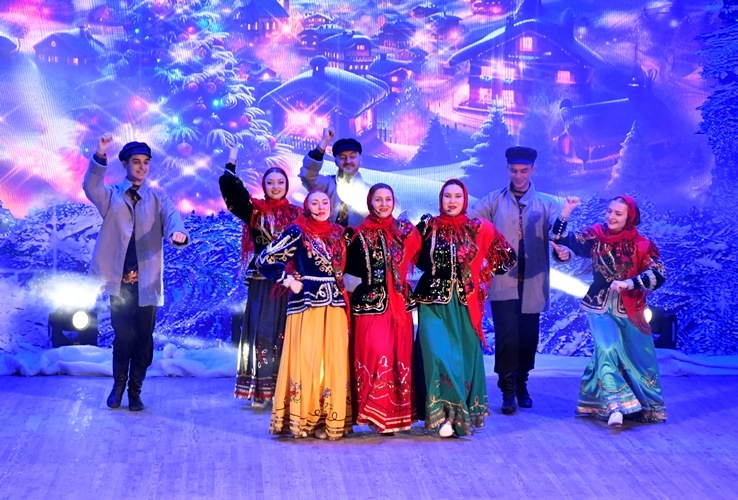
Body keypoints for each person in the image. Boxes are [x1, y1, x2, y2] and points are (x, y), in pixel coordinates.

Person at [83, 134, 189, 411]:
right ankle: (118, 385)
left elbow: (173, 218)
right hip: (120, 283)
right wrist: (100, 155)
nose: (142, 167)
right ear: (125, 164)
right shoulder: (111, 196)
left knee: (144, 338)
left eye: (145, 162)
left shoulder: (157, 198)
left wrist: (177, 232)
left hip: (146, 282)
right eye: (136, 162)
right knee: (124, 335)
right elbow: (91, 186)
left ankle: (135, 390)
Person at [550, 195, 667, 427]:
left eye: (618, 213)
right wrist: (566, 212)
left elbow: (658, 274)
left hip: (631, 308)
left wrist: (629, 283)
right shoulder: (595, 236)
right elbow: (560, 239)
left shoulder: (643, 245)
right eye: (609, 211)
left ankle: (641, 405)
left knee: (640, 358)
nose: (611, 217)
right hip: (599, 306)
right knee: (607, 348)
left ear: (630, 217)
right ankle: (615, 406)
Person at [414, 179, 516, 438]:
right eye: (447, 196)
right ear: (440, 199)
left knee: (460, 360)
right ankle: (443, 413)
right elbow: (409, 255)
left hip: (464, 305)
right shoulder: (427, 227)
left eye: (457, 196)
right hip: (432, 304)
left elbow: (507, 257)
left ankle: (452, 418)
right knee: (437, 356)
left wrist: (481, 276)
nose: (452, 201)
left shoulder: (478, 229)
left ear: (465, 200)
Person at [468, 146, 564, 415]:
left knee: (528, 338)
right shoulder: (494, 200)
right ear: (507, 170)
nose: (518, 176)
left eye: (524, 171)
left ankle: (522, 384)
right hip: (503, 281)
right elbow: (470, 224)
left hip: (534, 281)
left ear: (533, 170)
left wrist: (563, 249)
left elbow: (559, 235)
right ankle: (507, 389)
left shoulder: (546, 204)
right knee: (507, 337)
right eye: (514, 171)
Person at [256, 189, 353, 440]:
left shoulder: (339, 233)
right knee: (307, 361)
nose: (321, 207)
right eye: (315, 203)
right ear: (307, 207)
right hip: (307, 305)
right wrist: (288, 280)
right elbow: (264, 259)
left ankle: (328, 420)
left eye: (325, 202)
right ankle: (304, 419)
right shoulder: (297, 231)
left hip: (335, 305)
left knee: (332, 362)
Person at [219, 143, 301, 408]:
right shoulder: (254, 211)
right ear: (264, 186)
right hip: (262, 282)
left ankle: (285, 390)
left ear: (287, 185)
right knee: (262, 331)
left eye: (280, 182)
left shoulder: (298, 215)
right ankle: (261, 390)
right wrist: (232, 159)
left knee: (288, 333)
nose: (276, 186)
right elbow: (232, 192)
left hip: (291, 284)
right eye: (270, 182)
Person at [345, 183, 422, 434]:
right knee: (376, 353)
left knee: (399, 356)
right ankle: (372, 412)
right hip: (370, 305)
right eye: (378, 199)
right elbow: (346, 268)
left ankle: (393, 416)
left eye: (388, 199)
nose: (384, 204)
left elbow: (423, 257)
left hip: (400, 306)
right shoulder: (358, 235)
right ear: (370, 202)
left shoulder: (406, 232)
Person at [299, 127, 370, 227]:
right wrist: (325, 141)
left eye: (352, 156)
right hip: (326, 236)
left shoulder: (370, 192)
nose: (348, 161)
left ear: (360, 160)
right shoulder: (327, 185)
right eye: (342, 157)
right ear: (336, 161)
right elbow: (307, 175)